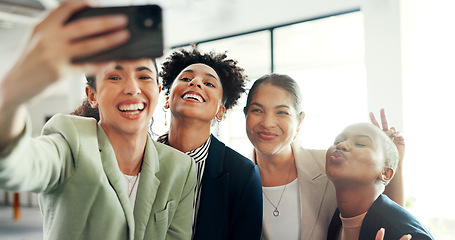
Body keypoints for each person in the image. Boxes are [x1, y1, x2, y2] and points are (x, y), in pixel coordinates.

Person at [0, 1, 196, 239]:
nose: (132, 88)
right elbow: (13, 165)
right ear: (92, 95)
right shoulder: (69, 142)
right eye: (114, 76)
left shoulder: (180, 168)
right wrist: (12, 95)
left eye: (143, 76)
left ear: (156, 90)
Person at [243, 73, 405, 240]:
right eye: (257, 110)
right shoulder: (234, 179)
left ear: (299, 121)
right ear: (245, 114)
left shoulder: (333, 165)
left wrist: (389, 158)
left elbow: (385, 218)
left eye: (282, 112)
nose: (268, 123)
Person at [158, 47, 263, 240]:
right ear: (167, 100)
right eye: (185, 78)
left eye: (209, 83)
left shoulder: (243, 175)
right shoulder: (136, 157)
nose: (195, 82)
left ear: (220, 111)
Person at [325, 123, 433, 240]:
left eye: (360, 143)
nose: (341, 145)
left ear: (386, 173)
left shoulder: (410, 235)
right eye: (337, 142)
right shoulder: (335, 219)